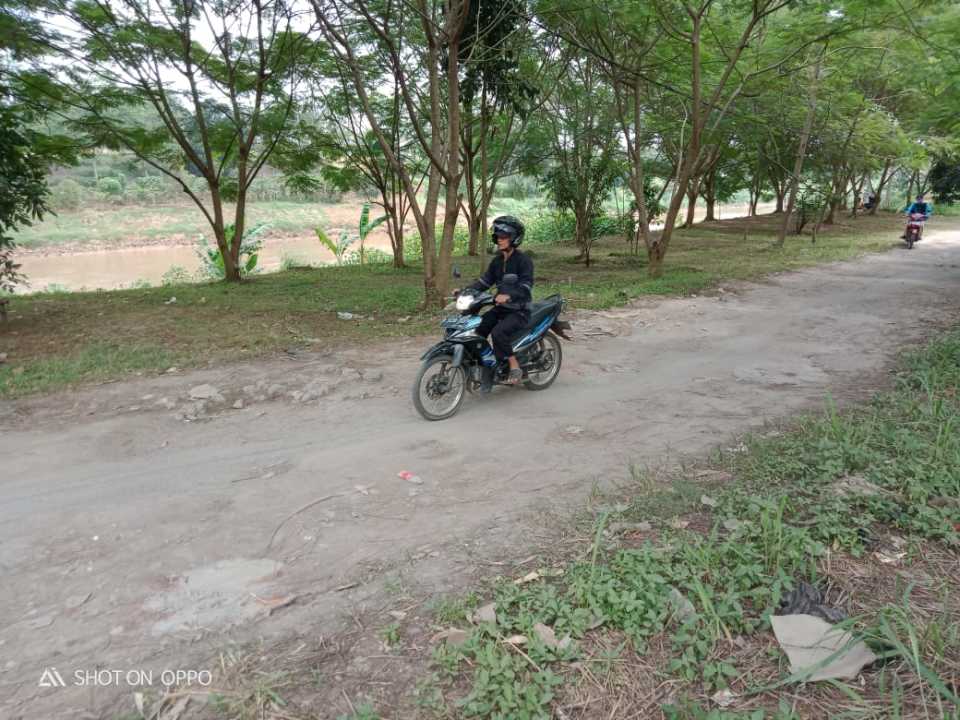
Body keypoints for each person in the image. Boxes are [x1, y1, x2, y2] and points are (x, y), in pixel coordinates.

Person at [464, 215, 534, 391]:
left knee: (498, 332)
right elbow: (484, 282)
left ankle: (514, 366)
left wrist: (508, 296)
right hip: (501, 309)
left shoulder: (523, 261)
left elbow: (526, 286)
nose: (499, 239)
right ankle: (486, 366)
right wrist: (464, 291)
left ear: (514, 238)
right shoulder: (497, 261)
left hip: (519, 310)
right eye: (498, 236)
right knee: (478, 328)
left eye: (504, 236)